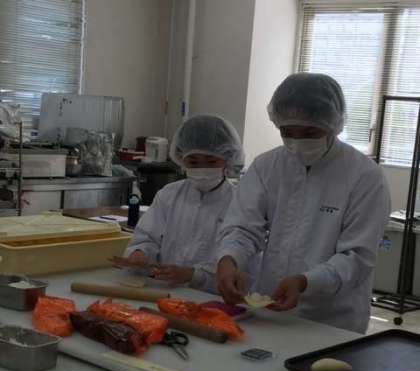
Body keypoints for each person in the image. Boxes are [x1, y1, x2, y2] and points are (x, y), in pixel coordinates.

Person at [217, 73, 390, 333]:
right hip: (269, 307)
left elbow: (357, 256)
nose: (297, 143)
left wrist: (306, 282)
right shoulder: (267, 166)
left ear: (333, 124)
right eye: (287, 132)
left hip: (332, 319)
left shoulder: (364, 176)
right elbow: (242, 227)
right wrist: (229, 260)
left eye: (310, 132)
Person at [121, 114, 244, 293]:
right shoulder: (169, 195)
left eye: (211, 161)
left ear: (228, 158)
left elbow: (237, 260)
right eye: (193, 162)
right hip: (163, 292)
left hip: (212, 297)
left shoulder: (240, 203)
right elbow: (147, 237)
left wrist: (194, 275)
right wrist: (140, 253)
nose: (202, 169)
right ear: (180, 158)